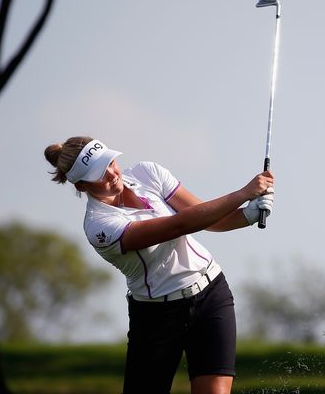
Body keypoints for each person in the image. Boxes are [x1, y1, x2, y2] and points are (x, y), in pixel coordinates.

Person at [44, 136, 274, 394]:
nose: (111, 174)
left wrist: (247, 214)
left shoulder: (146, 173)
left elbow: (208, 218)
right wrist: (243, 194)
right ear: (82, 185)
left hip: (211, 293)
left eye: (110, 162)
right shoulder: (100, 226)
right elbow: (181, 224)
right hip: (156, 318)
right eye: (99, 173)